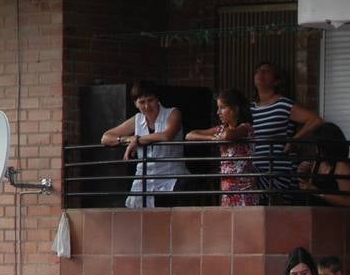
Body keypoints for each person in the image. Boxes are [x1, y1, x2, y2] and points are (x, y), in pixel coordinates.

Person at [101, 80, 184, 209]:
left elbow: (167, 135)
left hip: (171, 177)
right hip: (143, 179)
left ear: (157, 99)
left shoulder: (172, 113)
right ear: (135, 104)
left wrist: (137, 140)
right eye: (142, 102)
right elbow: (105, 138)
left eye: (150, 100)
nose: (147, 106)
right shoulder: (137, 119)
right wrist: (127, 139)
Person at [249, 61, 324, 200]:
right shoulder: (250, 108)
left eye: (266, 71)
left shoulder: (283, 104)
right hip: (255, 172)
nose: (260, 73)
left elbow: (315, 120)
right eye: (258, 70)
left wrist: (294, 140)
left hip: (278, 173)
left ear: (276, 81)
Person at [184, 88, 260, 206]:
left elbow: (228, 135)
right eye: (218, 108)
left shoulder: (246, 127)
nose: (218, 112)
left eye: (223, 108)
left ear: (235, 109)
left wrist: (220, 136)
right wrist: (211, 138)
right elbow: (190, 135)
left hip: (244, 188)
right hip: (227, 188)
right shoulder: (220, 129)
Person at [297, 122, 350, 208]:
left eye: (320, 146)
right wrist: (303, 172)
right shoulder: (317, 162)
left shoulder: (341, 167)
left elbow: (349, 201)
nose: (317, 150)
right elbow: (308, 186)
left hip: (333, 213)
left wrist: (318, 192)